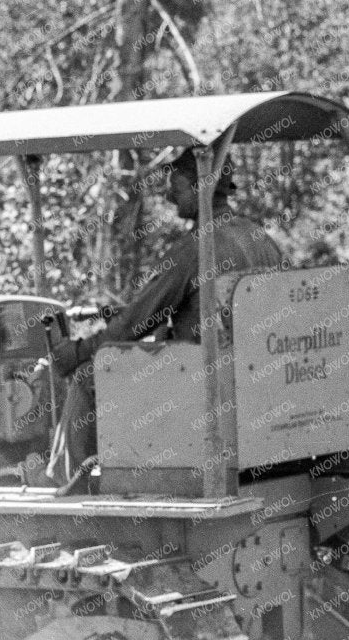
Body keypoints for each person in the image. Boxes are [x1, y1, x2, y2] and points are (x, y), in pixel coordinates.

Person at [44, 148, 284, 478]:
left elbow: (133, 326)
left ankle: (70, 484)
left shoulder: (195, 249)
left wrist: (75, 352)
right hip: (254, 377)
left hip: (202, 384)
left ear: (203, 187)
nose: (170, 197)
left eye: (178, 187)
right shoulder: (259, 238)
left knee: (88, 376)